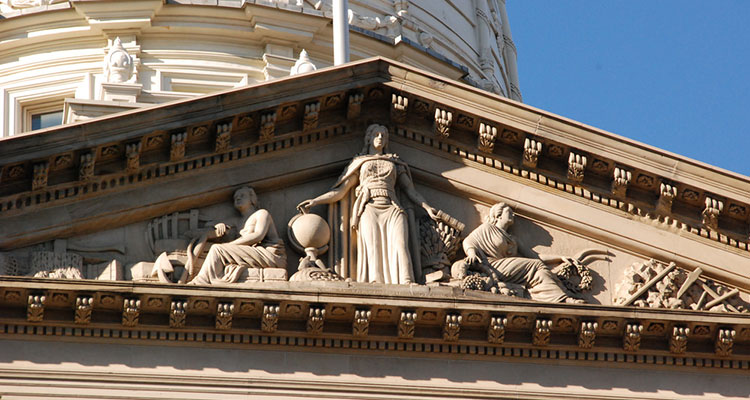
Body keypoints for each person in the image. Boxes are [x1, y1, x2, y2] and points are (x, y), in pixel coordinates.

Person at [297, 124, 438, 284]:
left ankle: (406, 281)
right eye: (376, 135)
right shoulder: (360, 162)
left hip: (392, 208)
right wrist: (315, 201)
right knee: (373, 247)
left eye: (383, 136)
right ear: (369, 138)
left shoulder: (395, 163)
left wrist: (427, 207)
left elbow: (410, 190)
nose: (380, 138)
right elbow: (341, 191)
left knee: (400, 244)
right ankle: (375, 281)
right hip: (369, 208)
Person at [456, 202, 581, 303]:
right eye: (509, 212)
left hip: (508, 267)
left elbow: (535, 257)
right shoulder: (488, 228)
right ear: (498, 216)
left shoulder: (513, 239)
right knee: (536, 265)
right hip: (491, 266)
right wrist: (471, 253)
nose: (513, 215)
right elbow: (469, 241)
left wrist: (560, 258)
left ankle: (561, 298)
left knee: (540, 272)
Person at [187, 186, 286, 285]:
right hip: (254, 253)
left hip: (270, 256)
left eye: (242, 196)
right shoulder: (237, 221)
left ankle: (201, 281)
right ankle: (203, 280)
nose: (238, 198)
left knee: (217, 249)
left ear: (252, 199)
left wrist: (230, 245)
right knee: (218, 249)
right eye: (235, 197)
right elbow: (208, 224)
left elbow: (258, 235)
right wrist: (218, 225)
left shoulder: (262, 213)